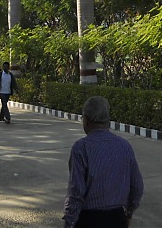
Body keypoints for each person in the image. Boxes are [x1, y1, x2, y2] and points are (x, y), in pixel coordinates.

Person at [63, 96, 143, 228]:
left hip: (88, 219)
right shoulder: (124, 146)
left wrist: (69, 221)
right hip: (117, 218)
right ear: (107, 121)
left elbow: (76, 192)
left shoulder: (81, 148)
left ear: (86, 120)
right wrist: (129, 213)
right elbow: (137, 186)